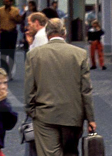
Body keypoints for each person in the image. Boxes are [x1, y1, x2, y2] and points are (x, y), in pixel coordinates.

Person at [24, 18, 96, 156]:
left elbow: (29, 88)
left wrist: (31, 111)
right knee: (71, 152)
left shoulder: (34, 55)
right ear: (65, 33)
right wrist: (90, 118)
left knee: (49, 153)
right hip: (73, 114)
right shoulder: (79, 54)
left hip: (45, 114)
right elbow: (86, 90)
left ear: (46, 33)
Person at [0, 0, 23, 79]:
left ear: (11, 2)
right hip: (3, 33)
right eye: (5, 1)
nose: (6, 3)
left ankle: (9, 72)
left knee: (11, 54)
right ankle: (4, 71)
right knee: (3, 54)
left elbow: (19, 21)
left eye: (8, 1)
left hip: (12, 32)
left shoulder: (15, 10)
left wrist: (14, 17)